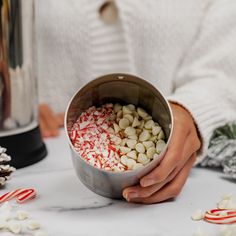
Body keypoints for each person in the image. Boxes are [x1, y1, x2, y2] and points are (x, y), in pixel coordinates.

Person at [36, 0, 236, 204]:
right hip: (41, 166)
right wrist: (13, 102)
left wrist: (190, 110)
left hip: (187, 176)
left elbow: (222, 70)